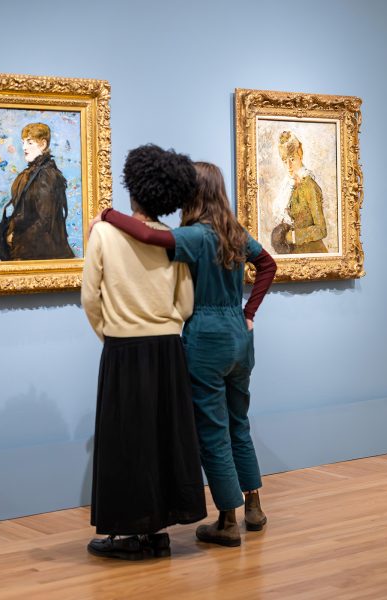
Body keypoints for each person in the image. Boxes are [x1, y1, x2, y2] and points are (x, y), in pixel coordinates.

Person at [93, 161, 277, 547]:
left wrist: (109, 215)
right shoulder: (234, 232)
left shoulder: (196, 236)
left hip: (206, 338)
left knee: (212, 432)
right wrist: (248, 312)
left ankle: (227, 521)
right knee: (238, 422)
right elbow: (267, 264)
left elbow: (148, 234)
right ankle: (254, 507)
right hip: (239, 338)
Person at [81, 144, 207, 560]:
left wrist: (111, 333)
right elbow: (185, 302)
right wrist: (164, 326)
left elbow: (89, 298)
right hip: (167, 347)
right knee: (164, 437)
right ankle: (160, 531)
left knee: (127, 440)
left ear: (132, 187)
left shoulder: (103, 233)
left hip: (123, 347)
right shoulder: (173, 240)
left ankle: (132, 534)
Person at [0, 122, 75, 261]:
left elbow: (44, 219)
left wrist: (16, 238)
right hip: (32, 249)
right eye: (23, 142)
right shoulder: (32, 173)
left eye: (30, 142)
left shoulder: (46, 176)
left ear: (43, 145)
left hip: (44, 253)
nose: (24, 147)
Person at [270, 130, 328, 254]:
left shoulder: (309, 185)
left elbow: (321, 229)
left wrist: (292, 237)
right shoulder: (288, 186)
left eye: (292, 159)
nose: (289, 166)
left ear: (300, 154)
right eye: (285, 161)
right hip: (294, 254)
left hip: (312, 253)